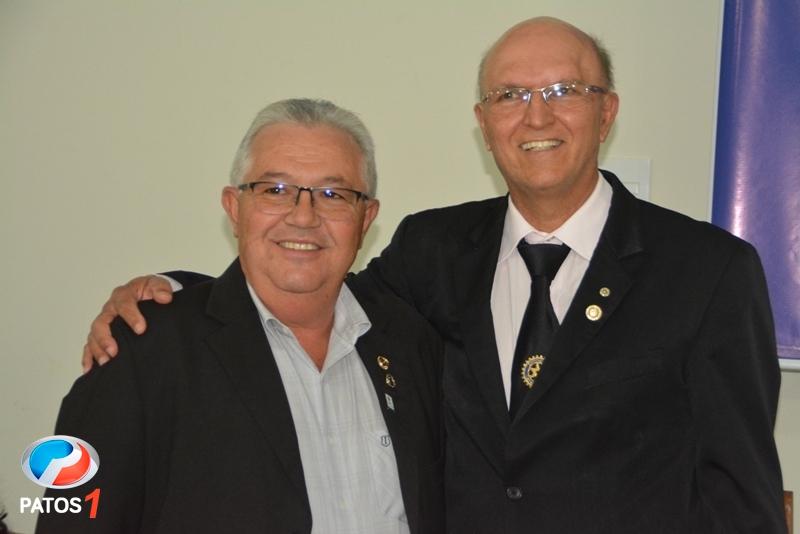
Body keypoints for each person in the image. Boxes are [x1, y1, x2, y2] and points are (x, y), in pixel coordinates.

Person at [83, 17, 786, 533]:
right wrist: (172, 293)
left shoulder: (708, 272)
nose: (535, 115)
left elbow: (743, 499)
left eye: (564, 90)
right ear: (483, 122)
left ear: (607, 112)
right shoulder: (435, 249)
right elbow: (312, 286)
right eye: (510, 95)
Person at [39, 99, 445, 534]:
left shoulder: (410, 344)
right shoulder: (144, 350)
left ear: (365, 220)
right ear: (235, 209)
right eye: (275, 190)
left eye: (333, 195)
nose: (303, 216)